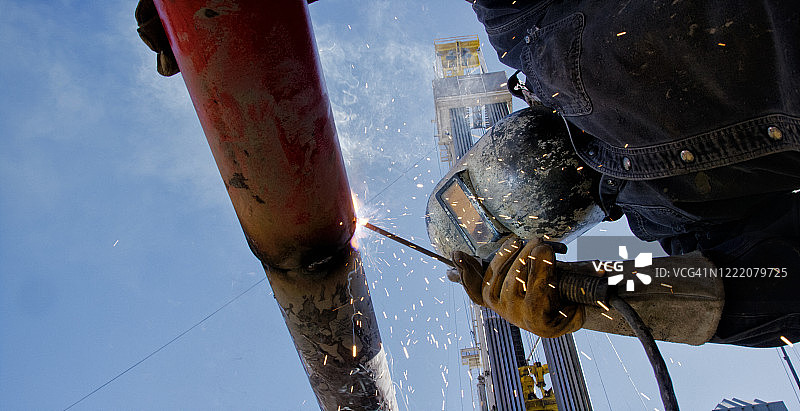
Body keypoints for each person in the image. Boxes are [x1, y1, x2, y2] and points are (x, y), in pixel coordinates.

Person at [451, 0, 800, 347]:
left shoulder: (523, 29)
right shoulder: (673, 225)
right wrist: (582, 298)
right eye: (504, 223)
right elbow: (774, 283)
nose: (505, 201)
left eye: (474, 196)